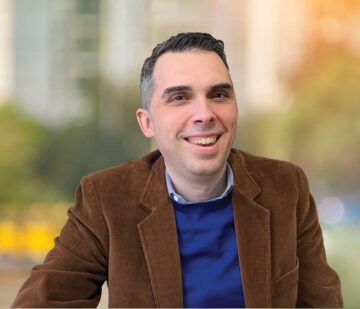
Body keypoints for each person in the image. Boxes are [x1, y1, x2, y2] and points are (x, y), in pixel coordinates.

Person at [12, 32, 343, 308]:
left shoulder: (286, 187)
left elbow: (322, 302)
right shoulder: (107, 199)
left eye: (219, 94)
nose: (204, 113)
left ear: (235, 110)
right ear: (147, 122)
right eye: (180, 97)